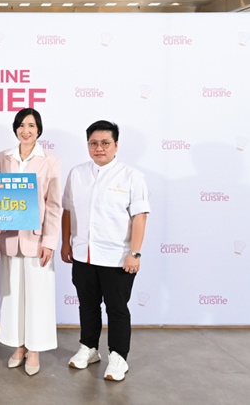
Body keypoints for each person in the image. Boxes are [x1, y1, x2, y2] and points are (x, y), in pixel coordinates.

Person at [61, 120, 150, 382]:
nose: (99, 148)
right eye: (93, 143)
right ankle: (89, 348)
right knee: (87, 305)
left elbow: (140, 216)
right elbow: (67, 210)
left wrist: (135, 253)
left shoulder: (132, 176)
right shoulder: (77, 173)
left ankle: (118, 356)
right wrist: (65, 243)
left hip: (117, 257)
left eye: (105, 143)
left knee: (117, 308)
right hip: (83, 253)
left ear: (116, 145)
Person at [0, 108, 62, 376]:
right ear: (15, 128)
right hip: (9, 237)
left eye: (31, 125)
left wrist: (50, 241)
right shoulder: (3, 158)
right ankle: (19, 346)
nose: (26, 130)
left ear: (39, 129)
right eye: (21, 125)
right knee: (12, 296)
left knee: (38, 296)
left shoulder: (51, 161)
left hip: (37, 240)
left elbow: (54, 205)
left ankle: (35, 349)